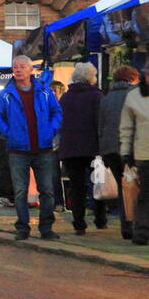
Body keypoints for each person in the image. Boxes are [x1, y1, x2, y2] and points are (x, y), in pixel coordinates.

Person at [0, 55, 64, 241]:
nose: (18, 70)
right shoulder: (5, 95)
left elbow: (57, 112)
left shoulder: (44, 92)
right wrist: (9, 132)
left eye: (22, 66)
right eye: (15, 67)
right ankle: (22, 227)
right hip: (18, 149)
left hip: (43, 148)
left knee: (47, 190)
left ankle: (46, 228)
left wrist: (51, 130)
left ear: (31, 70)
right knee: (20, 191)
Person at [57, 62, 105, 234]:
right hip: (93, 148)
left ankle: (79, 223)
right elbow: (100, 123)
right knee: (98, 183)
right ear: (91, 78)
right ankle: (100, 218)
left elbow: (60, 122)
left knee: (76, 187)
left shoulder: (65, 98)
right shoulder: (97, 96)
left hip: (70, 149)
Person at [100, 66, 140, 239]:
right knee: (137, 188)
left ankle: (126, 226)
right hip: (131, 149)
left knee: (123, 187)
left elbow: (100, 126)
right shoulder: (135, 95)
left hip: (110, 150)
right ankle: (136, 225)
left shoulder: (106, 98)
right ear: (132, 78)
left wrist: (103, 151)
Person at [119, 71, 149, 244]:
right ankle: (141, 232)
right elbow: (127, 127)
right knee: (145, 194)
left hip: (142, 151)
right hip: (144, 153)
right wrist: (126, 152)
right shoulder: (134, 97)